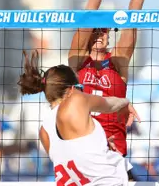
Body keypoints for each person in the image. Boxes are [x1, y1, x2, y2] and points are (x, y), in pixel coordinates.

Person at [68, 0, 159, 159]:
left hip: (114, 151)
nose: (100, 33)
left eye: (104, 31)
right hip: (82, 147)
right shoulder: (77, 61)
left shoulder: (118, 61)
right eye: (96, 30)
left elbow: (133, 19)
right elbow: (87, 16)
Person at [18, 50, 141, 185]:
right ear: (71, 89)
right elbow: (110, 104)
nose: (82, 91)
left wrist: (101, 145)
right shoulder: (76, 100)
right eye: (79, 87)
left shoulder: (44, 131)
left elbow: (74, 157)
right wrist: (125, 102)